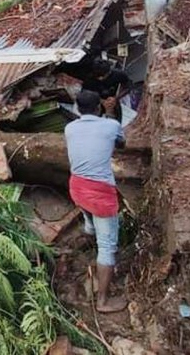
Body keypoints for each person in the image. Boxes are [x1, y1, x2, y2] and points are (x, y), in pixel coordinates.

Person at [65, 90, 127, 313]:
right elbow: (121, 144)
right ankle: (102, 301)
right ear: (98, 107)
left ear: (77, 108)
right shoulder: (110, 125)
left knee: (88, 211)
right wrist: (110, 114)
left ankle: (89, 230)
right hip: (100, 194)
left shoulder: (69, 128)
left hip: (76, 187)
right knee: (108, 247)